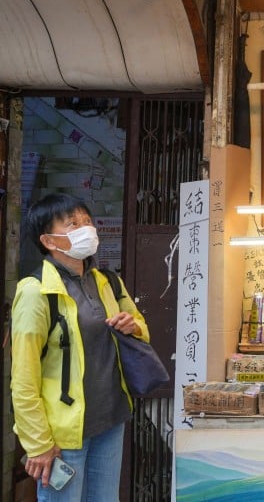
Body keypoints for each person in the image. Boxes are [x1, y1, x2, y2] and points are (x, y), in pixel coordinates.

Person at [12, 193, 151, 501]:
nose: (85, 229)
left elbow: (142, 330)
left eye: (87, 221)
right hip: (63, 436)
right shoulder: (35, 292)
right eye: (72, 223)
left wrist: (134, 326)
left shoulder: (106, 281)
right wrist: (38, 443)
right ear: (49, 241)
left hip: (110, 419)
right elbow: (23, 379)